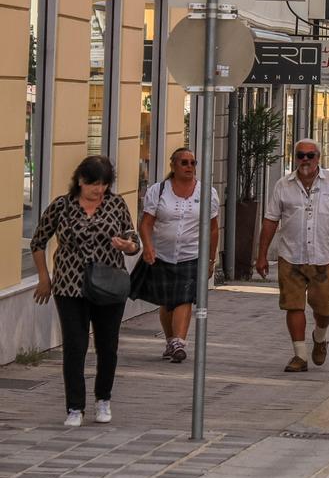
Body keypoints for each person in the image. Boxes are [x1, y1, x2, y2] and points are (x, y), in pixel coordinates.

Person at [31, 155, 140, 427]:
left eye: (104, 184)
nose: (99, 190)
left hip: (108, 285)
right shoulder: (62, 206)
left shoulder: (116, 204)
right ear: (80, 180)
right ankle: (74, 408)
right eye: (93, 184)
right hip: (70, 286)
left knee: (107, 346)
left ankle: (103, 399)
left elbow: (133, 238)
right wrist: (44, 278)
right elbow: (38, 241)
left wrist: (128, 247)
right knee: (75, 346)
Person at [254, 139, 329, 373]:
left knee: (324, 309)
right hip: (290, 256)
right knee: (293, 306)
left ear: (319, 157)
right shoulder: (283, 185)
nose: (305, 160)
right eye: (301, 155)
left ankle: (320, 338)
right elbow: (270, 221)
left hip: (323, 256)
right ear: (295, 158)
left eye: (310, 155)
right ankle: (299, 355)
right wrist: (261, 256)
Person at [135, 148, 219, 363]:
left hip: (192, 254)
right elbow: (146, 223)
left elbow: (213, 228)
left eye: (193, 162)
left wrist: (211, 259)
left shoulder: (207, 193)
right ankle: (171, 340)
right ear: (173, 166)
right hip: (162, 254)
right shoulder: (159, 190)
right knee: (167, 302)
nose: (189, 167)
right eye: (184, 162)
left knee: (184, 297)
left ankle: (179, 343)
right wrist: (147, 246)